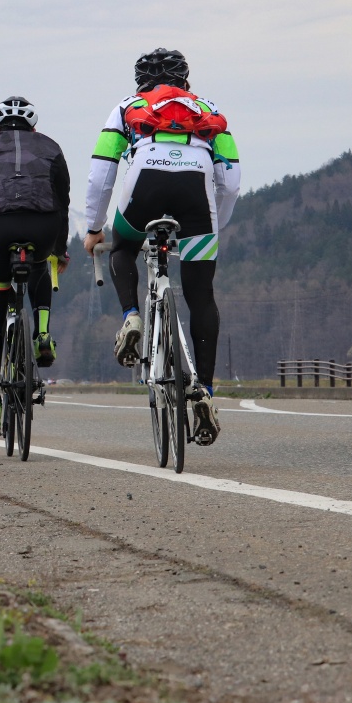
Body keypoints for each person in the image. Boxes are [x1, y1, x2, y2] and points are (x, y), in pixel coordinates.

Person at [82, 48, 240, 445]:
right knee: (202, 296)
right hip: (197, 195)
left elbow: (102, 174)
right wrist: (213, 222)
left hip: (144, 185)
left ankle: (132, 315)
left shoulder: (127, 107)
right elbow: (231, 180)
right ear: (186, 80)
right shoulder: (207, 108)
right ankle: (203, 388)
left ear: (140, 82)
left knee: (122, 248)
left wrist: (93, 227)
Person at [0, 96, 70, 436]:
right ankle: (43, 333)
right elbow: (62, 204)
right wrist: (60, 251)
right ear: (35, 128)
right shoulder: (51, 147)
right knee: (38, 263)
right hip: (43, 226)